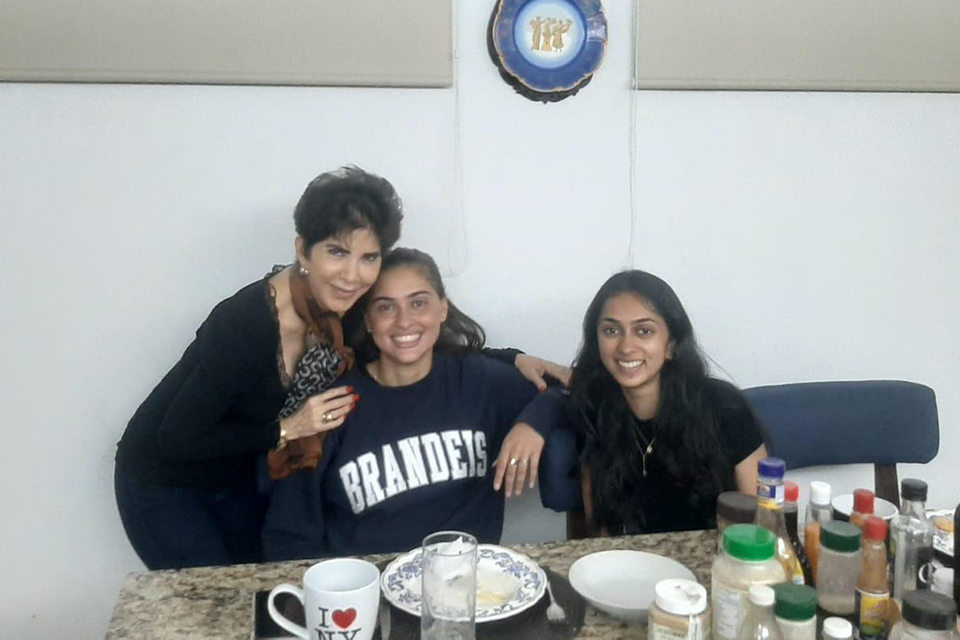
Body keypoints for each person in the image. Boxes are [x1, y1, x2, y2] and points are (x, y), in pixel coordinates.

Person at [262, 248, 564, 559]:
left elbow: (579, 393)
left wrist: (534, 422)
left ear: (442, 309)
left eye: (418, 303)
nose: (404, 321)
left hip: (467, 589)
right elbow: (288, 536)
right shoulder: (328, 407)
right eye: (385, 307)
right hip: (366, 592)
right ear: (366, 319)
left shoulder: (479, 381)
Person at [561, 270, 768, 536]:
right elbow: (602, 534)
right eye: (611, 330)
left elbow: (764, 524)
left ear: (671, 344)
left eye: (644, 331)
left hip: (722, 565)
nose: (626, 347)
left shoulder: (725, 408)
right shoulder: (593, 409)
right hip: (634, 567)